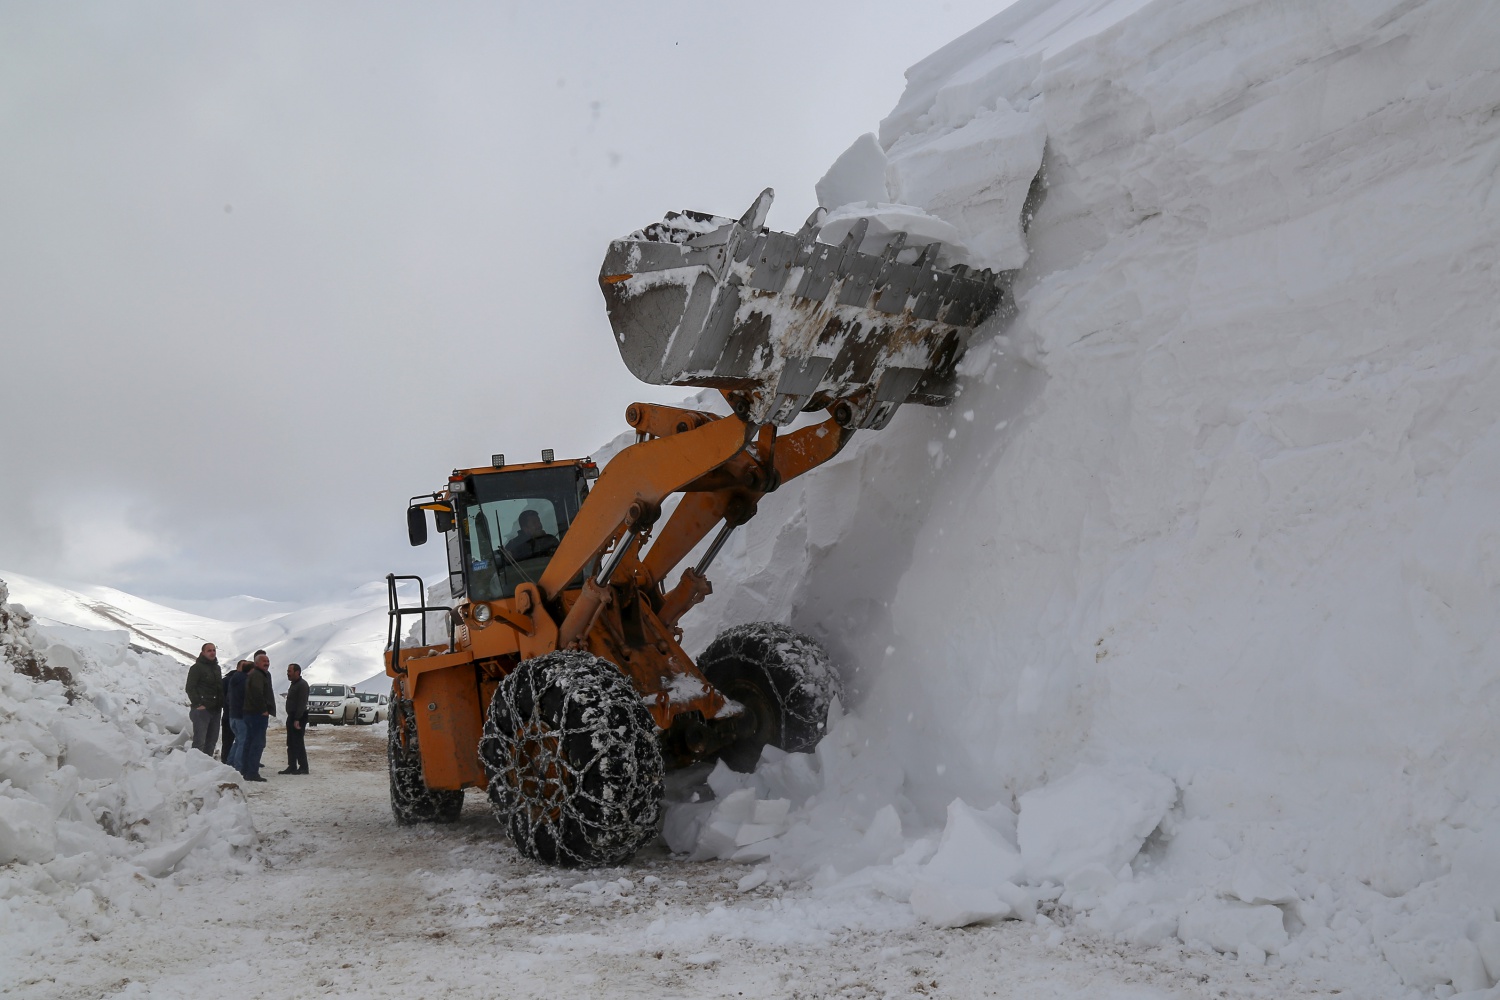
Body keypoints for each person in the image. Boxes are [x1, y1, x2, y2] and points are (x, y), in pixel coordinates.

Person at [240, 650, 276, 782]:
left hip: (251, 713)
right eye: (264, 661)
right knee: (257, 743)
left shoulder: (258, 674)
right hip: (256, 714)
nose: (267, 663)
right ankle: (252, 772)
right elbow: (257, 692)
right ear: (256, 663)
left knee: (249, 742)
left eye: (268, 661)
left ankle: (245, 770)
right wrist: (263, 709)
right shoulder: (257, 675)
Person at [184, 642, 223, 756]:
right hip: (202, 711)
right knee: (199, 742)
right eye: (209, 650)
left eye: (214, 650)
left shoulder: (217, 668)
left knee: (211, 742)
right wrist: (198, 704)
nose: (212, 653)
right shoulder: (196, 668)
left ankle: (207, 764)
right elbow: (190, 687)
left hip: (215, 710)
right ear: (203, 653)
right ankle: (194, 764)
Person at [280, 663, 310, 775]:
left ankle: (303, 767)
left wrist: (297, 718)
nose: (288, 674)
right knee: (291, 742)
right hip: (292, 716)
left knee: (298, 742)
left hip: (299, 717)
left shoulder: (302, 685)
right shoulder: (294, 684)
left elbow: (302, 703)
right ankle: (292, 766)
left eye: (290, 671)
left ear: (297, 672)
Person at [225, 659, 251, 770]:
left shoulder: (232, 680)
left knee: (238, 741)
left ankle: (230, 763)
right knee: (242, 742)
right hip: (241, 715)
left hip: (232, 715)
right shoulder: (245, 681)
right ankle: (238, 766)